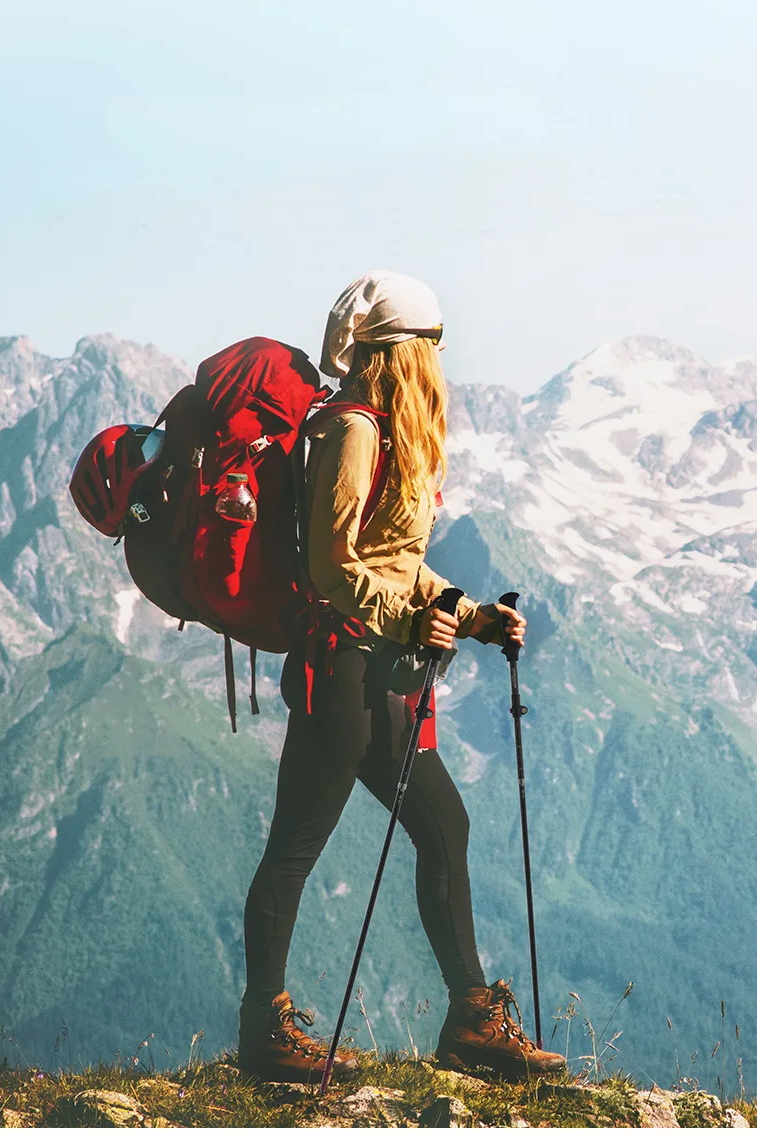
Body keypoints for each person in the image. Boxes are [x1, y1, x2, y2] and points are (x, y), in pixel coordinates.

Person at [237, 270, 566, 1084]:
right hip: (341, 669)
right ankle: (266, 1030)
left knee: (443, 827)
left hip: (377, 667)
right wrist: (413, 616)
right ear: (402, 352)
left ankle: (470, 1020)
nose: (438, 363)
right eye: (430, 347)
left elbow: (396, 563)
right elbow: (329, 564)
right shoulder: (353, 429)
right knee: (295, 848)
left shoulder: (387, 429)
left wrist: (470, 612)